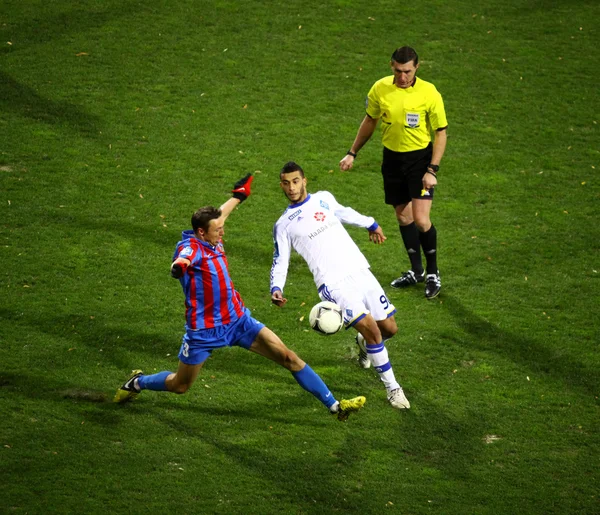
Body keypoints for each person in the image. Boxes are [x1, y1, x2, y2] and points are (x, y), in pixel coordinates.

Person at [114, 174, 366, 422]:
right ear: (201, 232)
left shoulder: (211, 233)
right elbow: (183, 259)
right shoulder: (191, 248)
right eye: (217, 231)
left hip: (238, 320)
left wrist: (239, 196)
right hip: (204, 331)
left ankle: (335, 406)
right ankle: (138, 382)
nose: (222, 233)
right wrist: (178, 267)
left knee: (289, 357)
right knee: (180, 386)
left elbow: (221, 215)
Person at [270, 162, 410, 409]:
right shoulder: (284, 224)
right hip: (332, 283)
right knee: (373, 330)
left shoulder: (324, 198)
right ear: (281, 185)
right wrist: (276, 287)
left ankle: (364, 345)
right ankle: (393, 388)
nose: (291, 187)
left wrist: (371, 223)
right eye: (285, 183)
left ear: (305, 181)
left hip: (360, 271)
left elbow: (344, 212)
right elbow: (280, 258)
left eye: (295, 181)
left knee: (389, 329)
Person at [339, 46, 448, 299]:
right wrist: (352, 152)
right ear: (391, 66)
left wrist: (432, 169)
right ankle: (417, 271)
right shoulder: (380, 89)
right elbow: (370, 120)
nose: (402, 77)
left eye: (407, 71)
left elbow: (440, 132)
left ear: (416, 68)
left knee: (421, 220)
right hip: (392, 160)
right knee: (403, 217)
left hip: (420, 160)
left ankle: (433, 273)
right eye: (398, 71)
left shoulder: (429, 93)